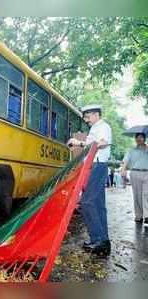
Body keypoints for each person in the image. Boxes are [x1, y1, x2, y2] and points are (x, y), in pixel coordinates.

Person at [67, 104, 112, 256]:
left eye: (87, 117)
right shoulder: (94, 128)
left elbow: (103, 142)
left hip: (97, 165)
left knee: (87, 202)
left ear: (95, 114)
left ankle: (99, 239)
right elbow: (92, 144)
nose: (86, 120)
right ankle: (101, 240)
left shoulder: (103, 126)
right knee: (98, 204)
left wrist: (79, 143)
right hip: (92, 165)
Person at [121, 133, 148, 225]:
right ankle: (139, 215)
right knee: (137, 195)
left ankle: (147, 215)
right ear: (135, 139)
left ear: (145, 139)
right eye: (137, 137)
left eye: (141, 137)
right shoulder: (131, 150)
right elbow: (125, 160)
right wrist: (123, 169)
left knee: (146, 194)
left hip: (147, 173)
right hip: (135, 173)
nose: (139, 139)